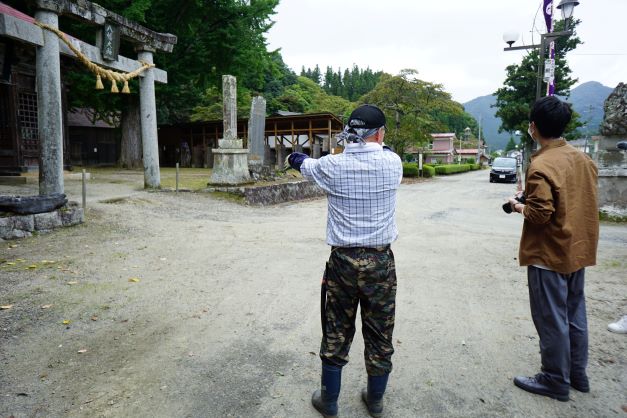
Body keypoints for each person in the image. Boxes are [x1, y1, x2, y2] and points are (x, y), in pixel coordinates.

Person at [285, 104, 402, 418]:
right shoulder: (394, 163)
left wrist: (291, 158)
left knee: (337, 330)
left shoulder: (331, 166)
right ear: (379, 133)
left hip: (343, 262)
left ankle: (330, 401)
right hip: (380, 262)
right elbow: (381, 149)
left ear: (351, 133)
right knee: (380, 333)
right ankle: (375, 401)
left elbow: (303, 163)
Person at [507, 96, 599, 402]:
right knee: (574, 313)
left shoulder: (541, 164)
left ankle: (553, 379)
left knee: (551, 318)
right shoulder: (583, 158)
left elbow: (540, 214)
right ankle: (578, 374)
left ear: (533, 127)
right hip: (577, 249)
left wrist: (518, 205)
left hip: (549, 254)